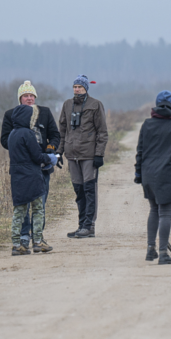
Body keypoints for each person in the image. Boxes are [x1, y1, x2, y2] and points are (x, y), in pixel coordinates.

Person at [0, 80, 60, 249]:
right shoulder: (10, 114)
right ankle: (24, 236)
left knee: (40, 203)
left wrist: (50, 149)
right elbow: (5, 140)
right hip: (24, 164)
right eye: (25, 96)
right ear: (20, 98)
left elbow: (55, 135)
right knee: (23, 205)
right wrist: (22, 148)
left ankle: (38, 236)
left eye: (31, 95)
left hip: (43, 165)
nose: (29, 98)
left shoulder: (45, 112)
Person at [135, 91, 171, 265]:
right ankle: (163, 253)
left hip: (148, 174)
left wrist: (138, 174)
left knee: (153, 210)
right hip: (167, 174)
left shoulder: (147, 124)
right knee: (165, 213)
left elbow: (140, 151)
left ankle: (150, 249)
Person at [58, 75, 107, 238]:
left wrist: (99, 154)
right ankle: (81, 225)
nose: (77, 89)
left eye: (80, 86)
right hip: (71, 155)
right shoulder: (67, 105)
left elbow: (102, 132)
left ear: (86, 88)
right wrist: (59, 152)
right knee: (78, 191)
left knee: (89, 189)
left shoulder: (95, 105)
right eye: (75, 86)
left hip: (89, 155)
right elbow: (62, 130)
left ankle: (89, 225)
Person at [7, 104, 57, 255]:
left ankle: (16, 244)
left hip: (17, 177)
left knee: (19, 211)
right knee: (37, 209)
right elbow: (36, 156)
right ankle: (37, 241)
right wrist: (50, 157)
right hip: (32, 176)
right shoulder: (28, 134)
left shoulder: (12, 134)